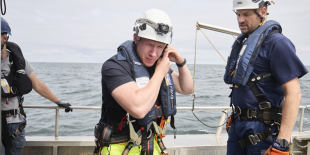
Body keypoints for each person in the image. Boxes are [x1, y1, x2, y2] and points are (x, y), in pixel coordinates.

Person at [93, 9, 193, 155]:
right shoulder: (114, 66)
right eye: (149, 45)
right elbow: (139, 109)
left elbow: (187, 89)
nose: (154, 53)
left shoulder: (157, 65)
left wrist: (181, 62)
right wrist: (160, 72)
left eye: (160, 47)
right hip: (119, 146)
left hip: (152, 144)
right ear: (136, 38)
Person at [224, 0, 309, 155]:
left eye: (246, 14)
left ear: (262, 12)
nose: (240, 19)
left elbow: (294, 93)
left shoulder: (278, 43)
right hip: (237, 127)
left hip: (263, 130)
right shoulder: (245, 43)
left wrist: (283, 141)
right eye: (238, 14)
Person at [1, 17, 73, 155]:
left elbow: (38, 85)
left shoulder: (18, 61)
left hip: (16, 126)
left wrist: (58, 101)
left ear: (5, 36)